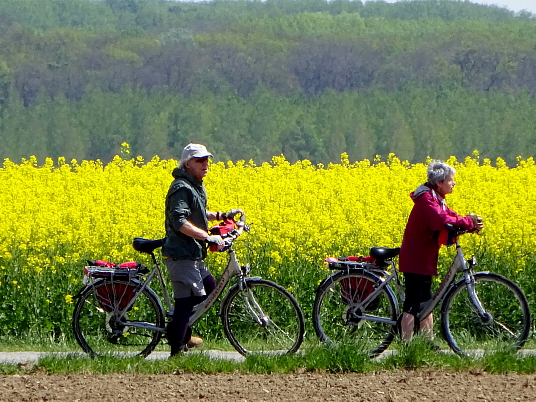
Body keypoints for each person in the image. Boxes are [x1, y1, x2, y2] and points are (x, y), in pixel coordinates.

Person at [162, 143, 242, 356]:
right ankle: (177, 348)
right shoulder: (181, 187)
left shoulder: (194, 185)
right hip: (181, 254)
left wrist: (221, 216)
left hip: (192, 253)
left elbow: (196, 212)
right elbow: (180, 221)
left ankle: (181, 332)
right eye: (200, 160)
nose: (206, 164)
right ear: (188, 163)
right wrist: (208, 236)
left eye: (207, 159)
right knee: (185, 302)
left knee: (208, 289)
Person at [398, 160, 483, 344]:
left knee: (428, 302)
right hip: (416, 258)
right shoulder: (426, 199)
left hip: (425, 258)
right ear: (439, 183)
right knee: (412, 304)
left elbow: (450, 216)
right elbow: (439, 219)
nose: (454, 183)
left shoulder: (436, 198)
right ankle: (406, 347)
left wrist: (469, 223)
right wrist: (467, 222)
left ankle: (428, 344)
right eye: (451, 180)